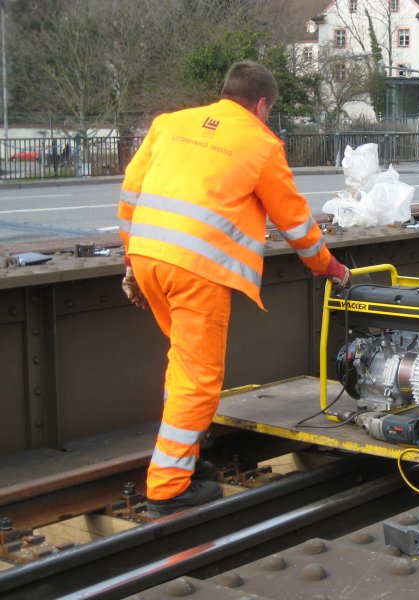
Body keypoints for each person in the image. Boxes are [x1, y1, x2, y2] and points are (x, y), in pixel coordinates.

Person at [118, 60, 350, 515]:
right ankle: (168, 487)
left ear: (226, 92)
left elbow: (130, 195)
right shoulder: (261, 144)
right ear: (262, 105)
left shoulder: (170, 124)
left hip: (146, 258)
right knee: (198, 377)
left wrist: (132, 256)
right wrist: (327, 265)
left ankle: (185, 461)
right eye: (269, 111)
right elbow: (295, 223)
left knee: (183, 366)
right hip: (196, 270)